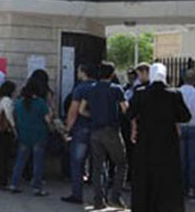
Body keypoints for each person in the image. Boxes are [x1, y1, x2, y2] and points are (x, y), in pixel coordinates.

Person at [128, 63, 191, 212]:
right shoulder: (174, 94)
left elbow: (130, 113)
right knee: (167, 179)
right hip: (167, 144)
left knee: (145, 178)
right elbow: (185, 116)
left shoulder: (140, 93)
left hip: (146, 143)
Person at [79, 62, 128, 209]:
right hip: (111, 130)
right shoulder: (116, 90)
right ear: (112, 74)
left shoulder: (90, 90)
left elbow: (82, 110)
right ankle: (115, 197)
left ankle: (98, 200)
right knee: (121, 164)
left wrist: (93, 115)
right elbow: (125, 109)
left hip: (95, 130)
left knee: (97, 167)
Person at [61, 62, 97, 205]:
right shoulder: (99, 87)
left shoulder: (80, 89)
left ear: (83, 72)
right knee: (99, 164)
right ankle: (100, 197)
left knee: (77, 163)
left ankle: (77, 195)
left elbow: (73, 111)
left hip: (81, 128)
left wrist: (68, 128)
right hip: (98, 129)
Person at [9, 80, 51, 196]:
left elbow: (15, 118)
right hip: (39, 135)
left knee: (20, 161)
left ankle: (14, 184)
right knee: (38, 163)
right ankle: (37, 188)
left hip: (23, 135)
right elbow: (47, 120)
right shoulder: (41, 103)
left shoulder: (19, 104)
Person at [180, 69, 195, 198]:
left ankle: (181, 186)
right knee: (192, 159)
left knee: (180, 158)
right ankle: (191, 188)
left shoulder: (177, 93)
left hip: (179, 128)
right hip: (193, 127)